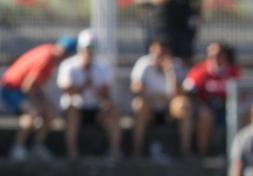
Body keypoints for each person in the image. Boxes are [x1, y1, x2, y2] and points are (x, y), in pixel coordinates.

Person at [1, 36, 77, 161]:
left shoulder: (49, 52)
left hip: (23, 89)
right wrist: (38, 105)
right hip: (11, 89)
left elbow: (36, 85)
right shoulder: (46, 59)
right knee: (33, 113)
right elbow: (28, 86)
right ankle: (17, 148)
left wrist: (47, 103)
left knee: (51, 112)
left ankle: (37, 146)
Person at [56, 30, 122, 161]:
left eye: (92, 48)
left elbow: (105, 94)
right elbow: (67, 91)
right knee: (72, 111)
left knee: (114, 110)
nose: (89, 52)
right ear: (80, 48)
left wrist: (92, 81)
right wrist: (84, 84)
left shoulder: (103, 66)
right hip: (76, 108)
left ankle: (114, 151)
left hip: (95, 108)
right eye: (87, 48)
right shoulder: (69, 65)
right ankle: (72, 153)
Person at [131, 40, 192, 159]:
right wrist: (151, 97)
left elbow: (179, 93)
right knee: (139, 105)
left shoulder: (176, 65)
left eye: (163, 53)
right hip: (150, 106)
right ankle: (136, 150)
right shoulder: (144, 64)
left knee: (184, 105)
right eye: (157, 53)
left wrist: (170, 72)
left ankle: (186, 150)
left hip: (169, 108)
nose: (160, 56)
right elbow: (135, 88)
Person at [183, 41, 240, 156]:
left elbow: (242, 93)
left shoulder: (233, 71)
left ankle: (236, 154)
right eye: (211, 55)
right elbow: (188, 90)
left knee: (241, 113)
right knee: (205, 115)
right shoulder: (200, 71)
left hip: (227, 107)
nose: (215, 58)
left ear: (225, 55)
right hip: (205, 106)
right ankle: (203, 153)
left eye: (218, 54)